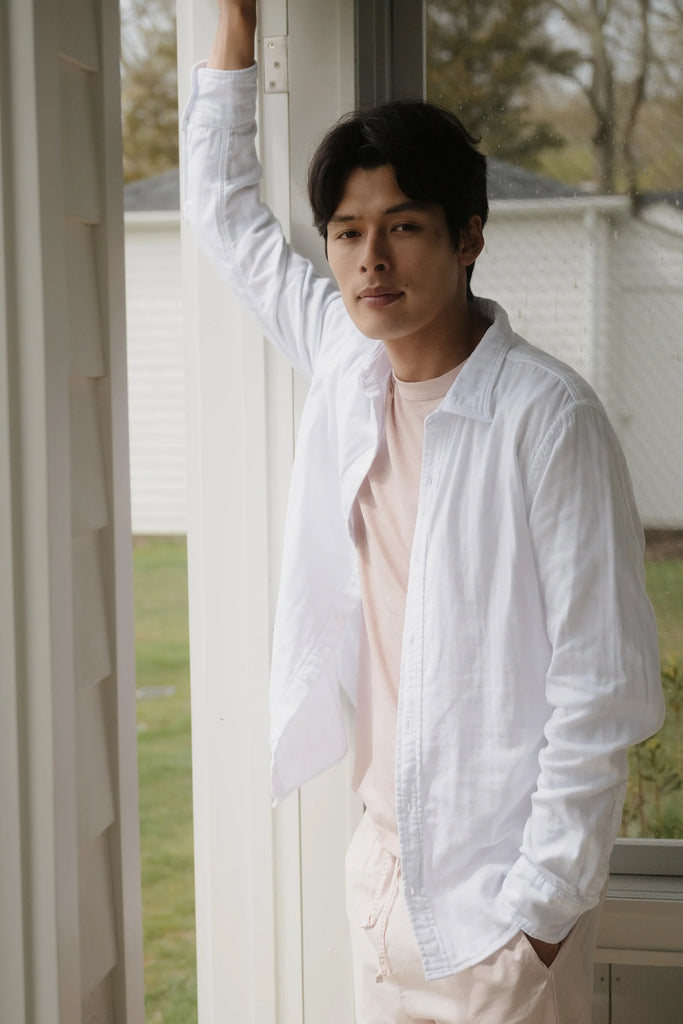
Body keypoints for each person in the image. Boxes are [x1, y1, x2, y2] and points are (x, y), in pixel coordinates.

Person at [182, 2, 665, 1021]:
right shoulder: (345, 364)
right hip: (379, 877)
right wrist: (232, 29)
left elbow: (600, 688)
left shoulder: (547, 419)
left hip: (499, 904)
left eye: (402, 227)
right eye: (348, 232)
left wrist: (535, 921)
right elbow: (225, 220)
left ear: (467, 236)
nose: (372, 259)